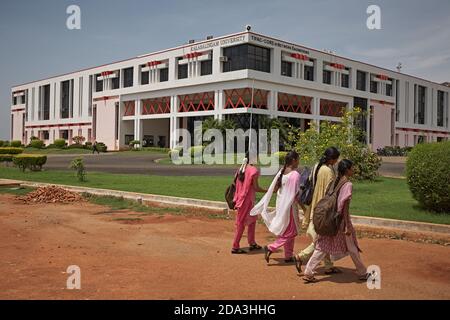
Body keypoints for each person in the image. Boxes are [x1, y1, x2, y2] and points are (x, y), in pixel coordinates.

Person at [303, 159, 370, 283]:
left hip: (329, 219)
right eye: (352, 168)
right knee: (352, 246)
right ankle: (362, 272)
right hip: (340, 221)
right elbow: (343, 206)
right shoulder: (348, 184)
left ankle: (308, 271)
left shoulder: (334, 182)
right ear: (347, 170)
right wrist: (346, 225)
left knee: (322, 246)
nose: (353, 170)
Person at [294, 147, 341, 274]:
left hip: (316, 205)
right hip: (323, 209)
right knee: (322, 241)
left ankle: (328, 266)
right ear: (332, 159)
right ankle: (301, 256)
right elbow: (329, 191)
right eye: (336, 158)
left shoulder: (318, 167)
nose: (337, 161)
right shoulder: (329, 171)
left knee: (323, 238)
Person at [250, 151, 301, 263]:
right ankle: (271, 247)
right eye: (298, 159)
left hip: (282, 205)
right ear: (293, 160)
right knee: (291, 232)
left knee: (286, 231)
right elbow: (295, 194)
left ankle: (288, 255)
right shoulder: (295, 175)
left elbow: (277, 189)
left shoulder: (282, 172)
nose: (299, 162)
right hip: (289, 207)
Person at [231, 152, 266, 254]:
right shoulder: (254, 170)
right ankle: (235, 246)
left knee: (252, 220)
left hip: (240, 200)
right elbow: (256, 187)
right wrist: (269, 190)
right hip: (247, 201)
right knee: (241, 223)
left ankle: (252, 242)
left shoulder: (241, 169)